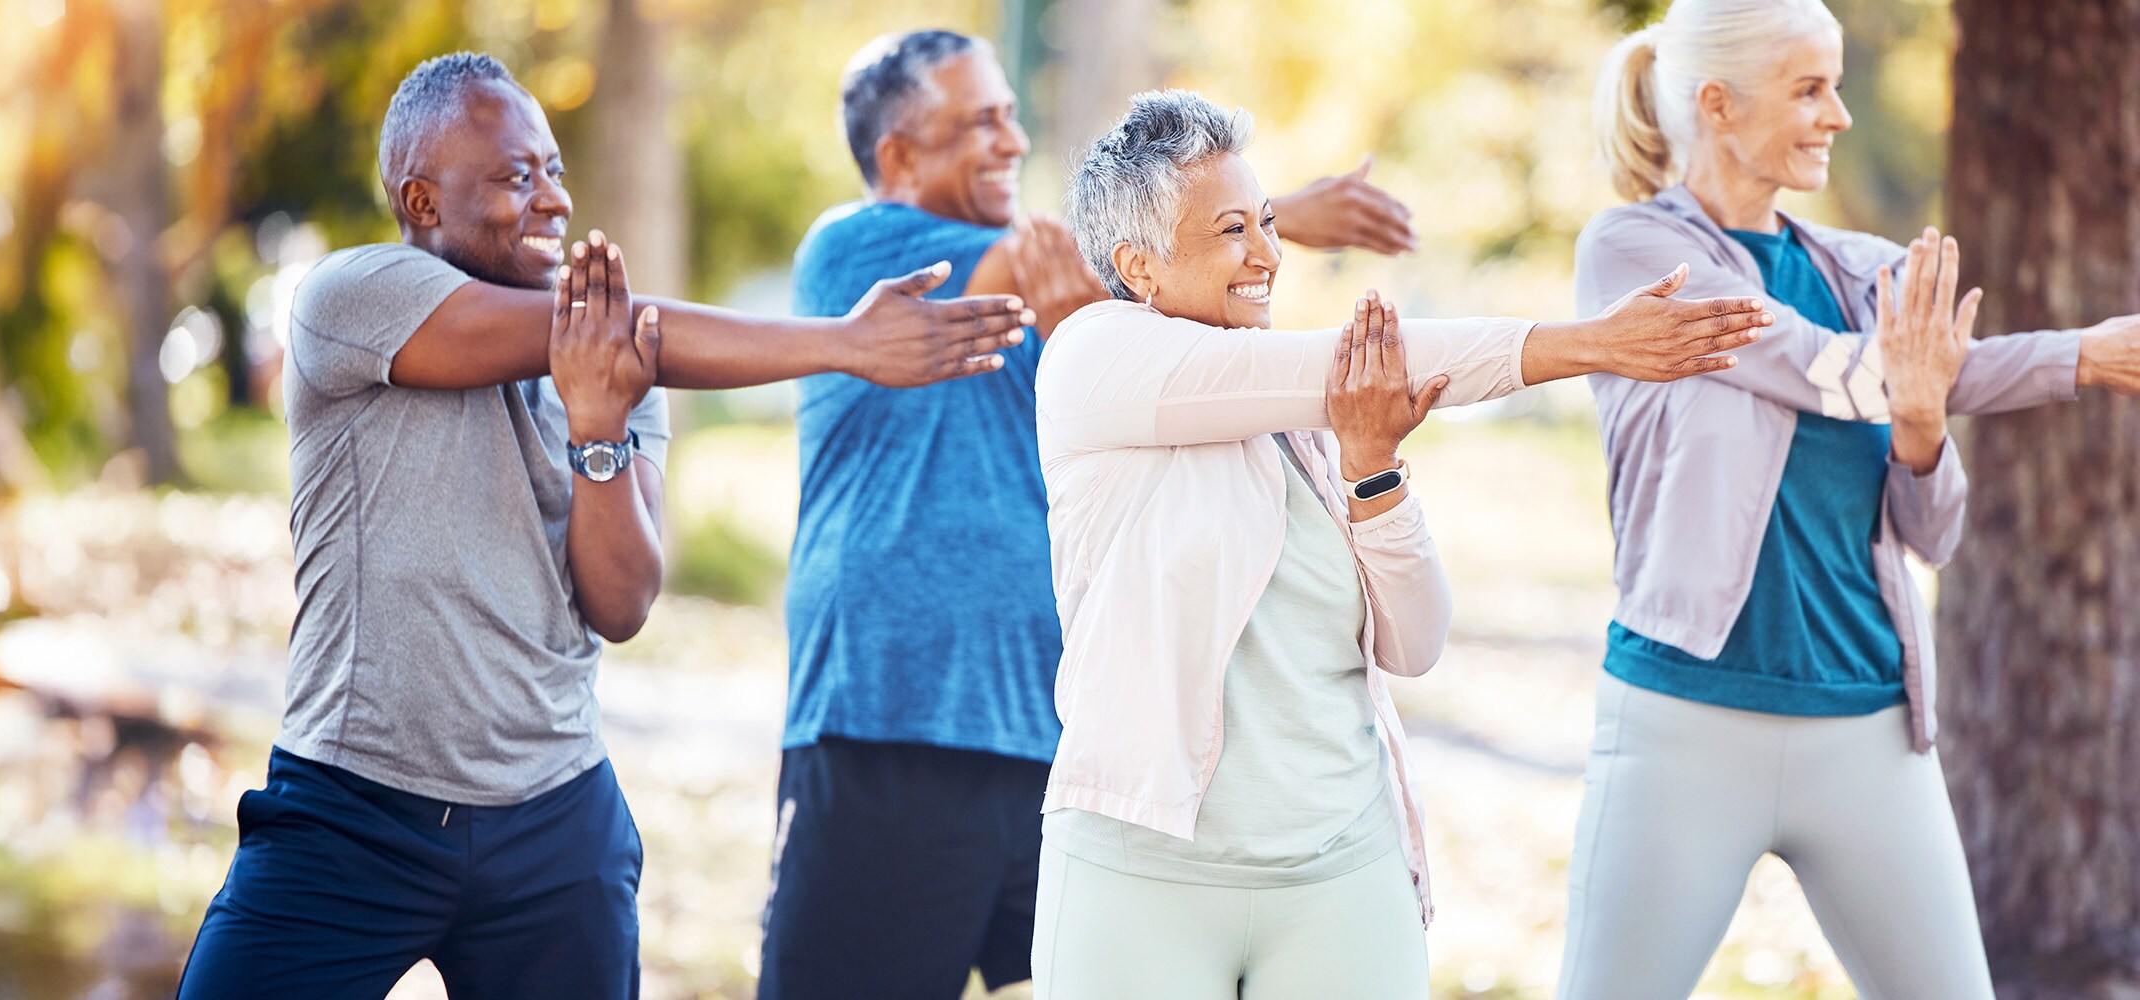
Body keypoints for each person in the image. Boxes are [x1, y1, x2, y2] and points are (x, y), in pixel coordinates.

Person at [175, 52, 1034, 1000]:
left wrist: (597, 429)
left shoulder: (618, 377)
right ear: (421, 203)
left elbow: (620, 604)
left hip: (555, 827)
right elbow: (625, 330)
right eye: (513, 176)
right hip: (351, 813)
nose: (550, 199)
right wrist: (841, 343)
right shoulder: (352, 301)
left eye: (554, 170)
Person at [1030, 89, 1771, 1000]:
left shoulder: (1309, 426)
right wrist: (1586, 344)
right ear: (1138, 267)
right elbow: (1342, 363)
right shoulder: (1093, 359)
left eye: (1266, 221)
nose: (1267, 254)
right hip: (1141, 876)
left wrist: (1373, 467)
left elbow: (1415, 644)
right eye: (1231, 231)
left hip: (1342, 872)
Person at [759, 30, 1436, 1000]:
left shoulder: (1092, 318)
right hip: (891, 724)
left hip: (1064, 743)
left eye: (1010, 113)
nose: (1010, 138)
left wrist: (1240, 221)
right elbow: (1061, 247)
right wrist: (1286, 208)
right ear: (899, 156)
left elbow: (1140, 263)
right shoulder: (858, 254)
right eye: (978, 121)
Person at [1564, 2, 2140, 997]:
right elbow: (1821, 369)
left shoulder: (1866, 271)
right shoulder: (1637, 257)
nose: (1839, 114)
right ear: (1718, 104)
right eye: (1809, 88)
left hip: (1870, 725)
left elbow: (1933, 526)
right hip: (1685, 721)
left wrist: (1924, 430)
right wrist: (2077, 355)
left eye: (1836, 84)